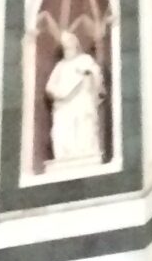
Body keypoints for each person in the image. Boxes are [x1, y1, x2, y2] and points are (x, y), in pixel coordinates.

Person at [44, 24, 106, 167]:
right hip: (63, 106)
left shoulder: (85, 60)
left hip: (81, 102)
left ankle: (84, 152)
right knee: (62, 130)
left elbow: (97, 77)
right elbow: (50, 86)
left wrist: (89, 74)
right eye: (65, 47)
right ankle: (65, 155)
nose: (68, 49)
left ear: (75, 45)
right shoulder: (60, 66)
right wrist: (59, 94)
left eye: (70, 45)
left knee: (83, 127)